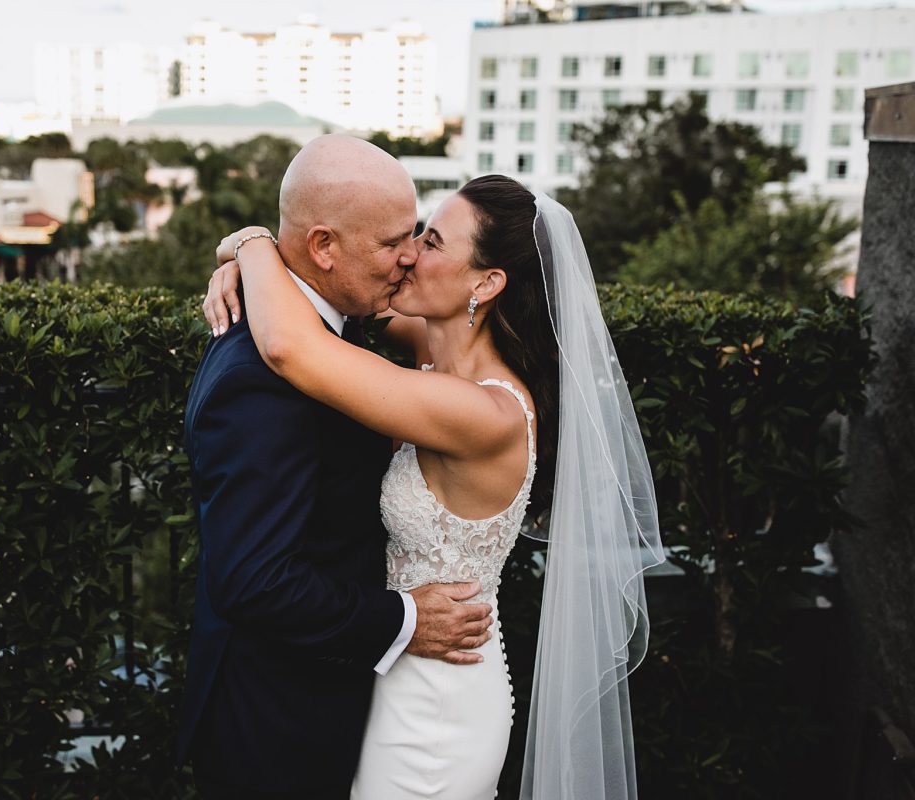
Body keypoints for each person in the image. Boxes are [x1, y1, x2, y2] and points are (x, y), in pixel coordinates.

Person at [204, 170, 664, 799]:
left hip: (438, 701)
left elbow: (292, 347)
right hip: (390, 670)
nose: (412, 253)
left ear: (487, 283)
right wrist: (250, 265)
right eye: (418, 234)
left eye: (435, 243)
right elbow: (331, 294)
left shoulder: (485, 412)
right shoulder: (437, 342)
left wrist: (252, 245)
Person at [179, 134, 495, 800]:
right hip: (273, 726)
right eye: (392, 243)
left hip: (350, 702)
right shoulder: (258, 377)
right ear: (324, 247)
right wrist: (405, 619)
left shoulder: (342, 323)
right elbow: (254, 580)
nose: (409, 257)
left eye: (418, 236)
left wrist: (248, 246)